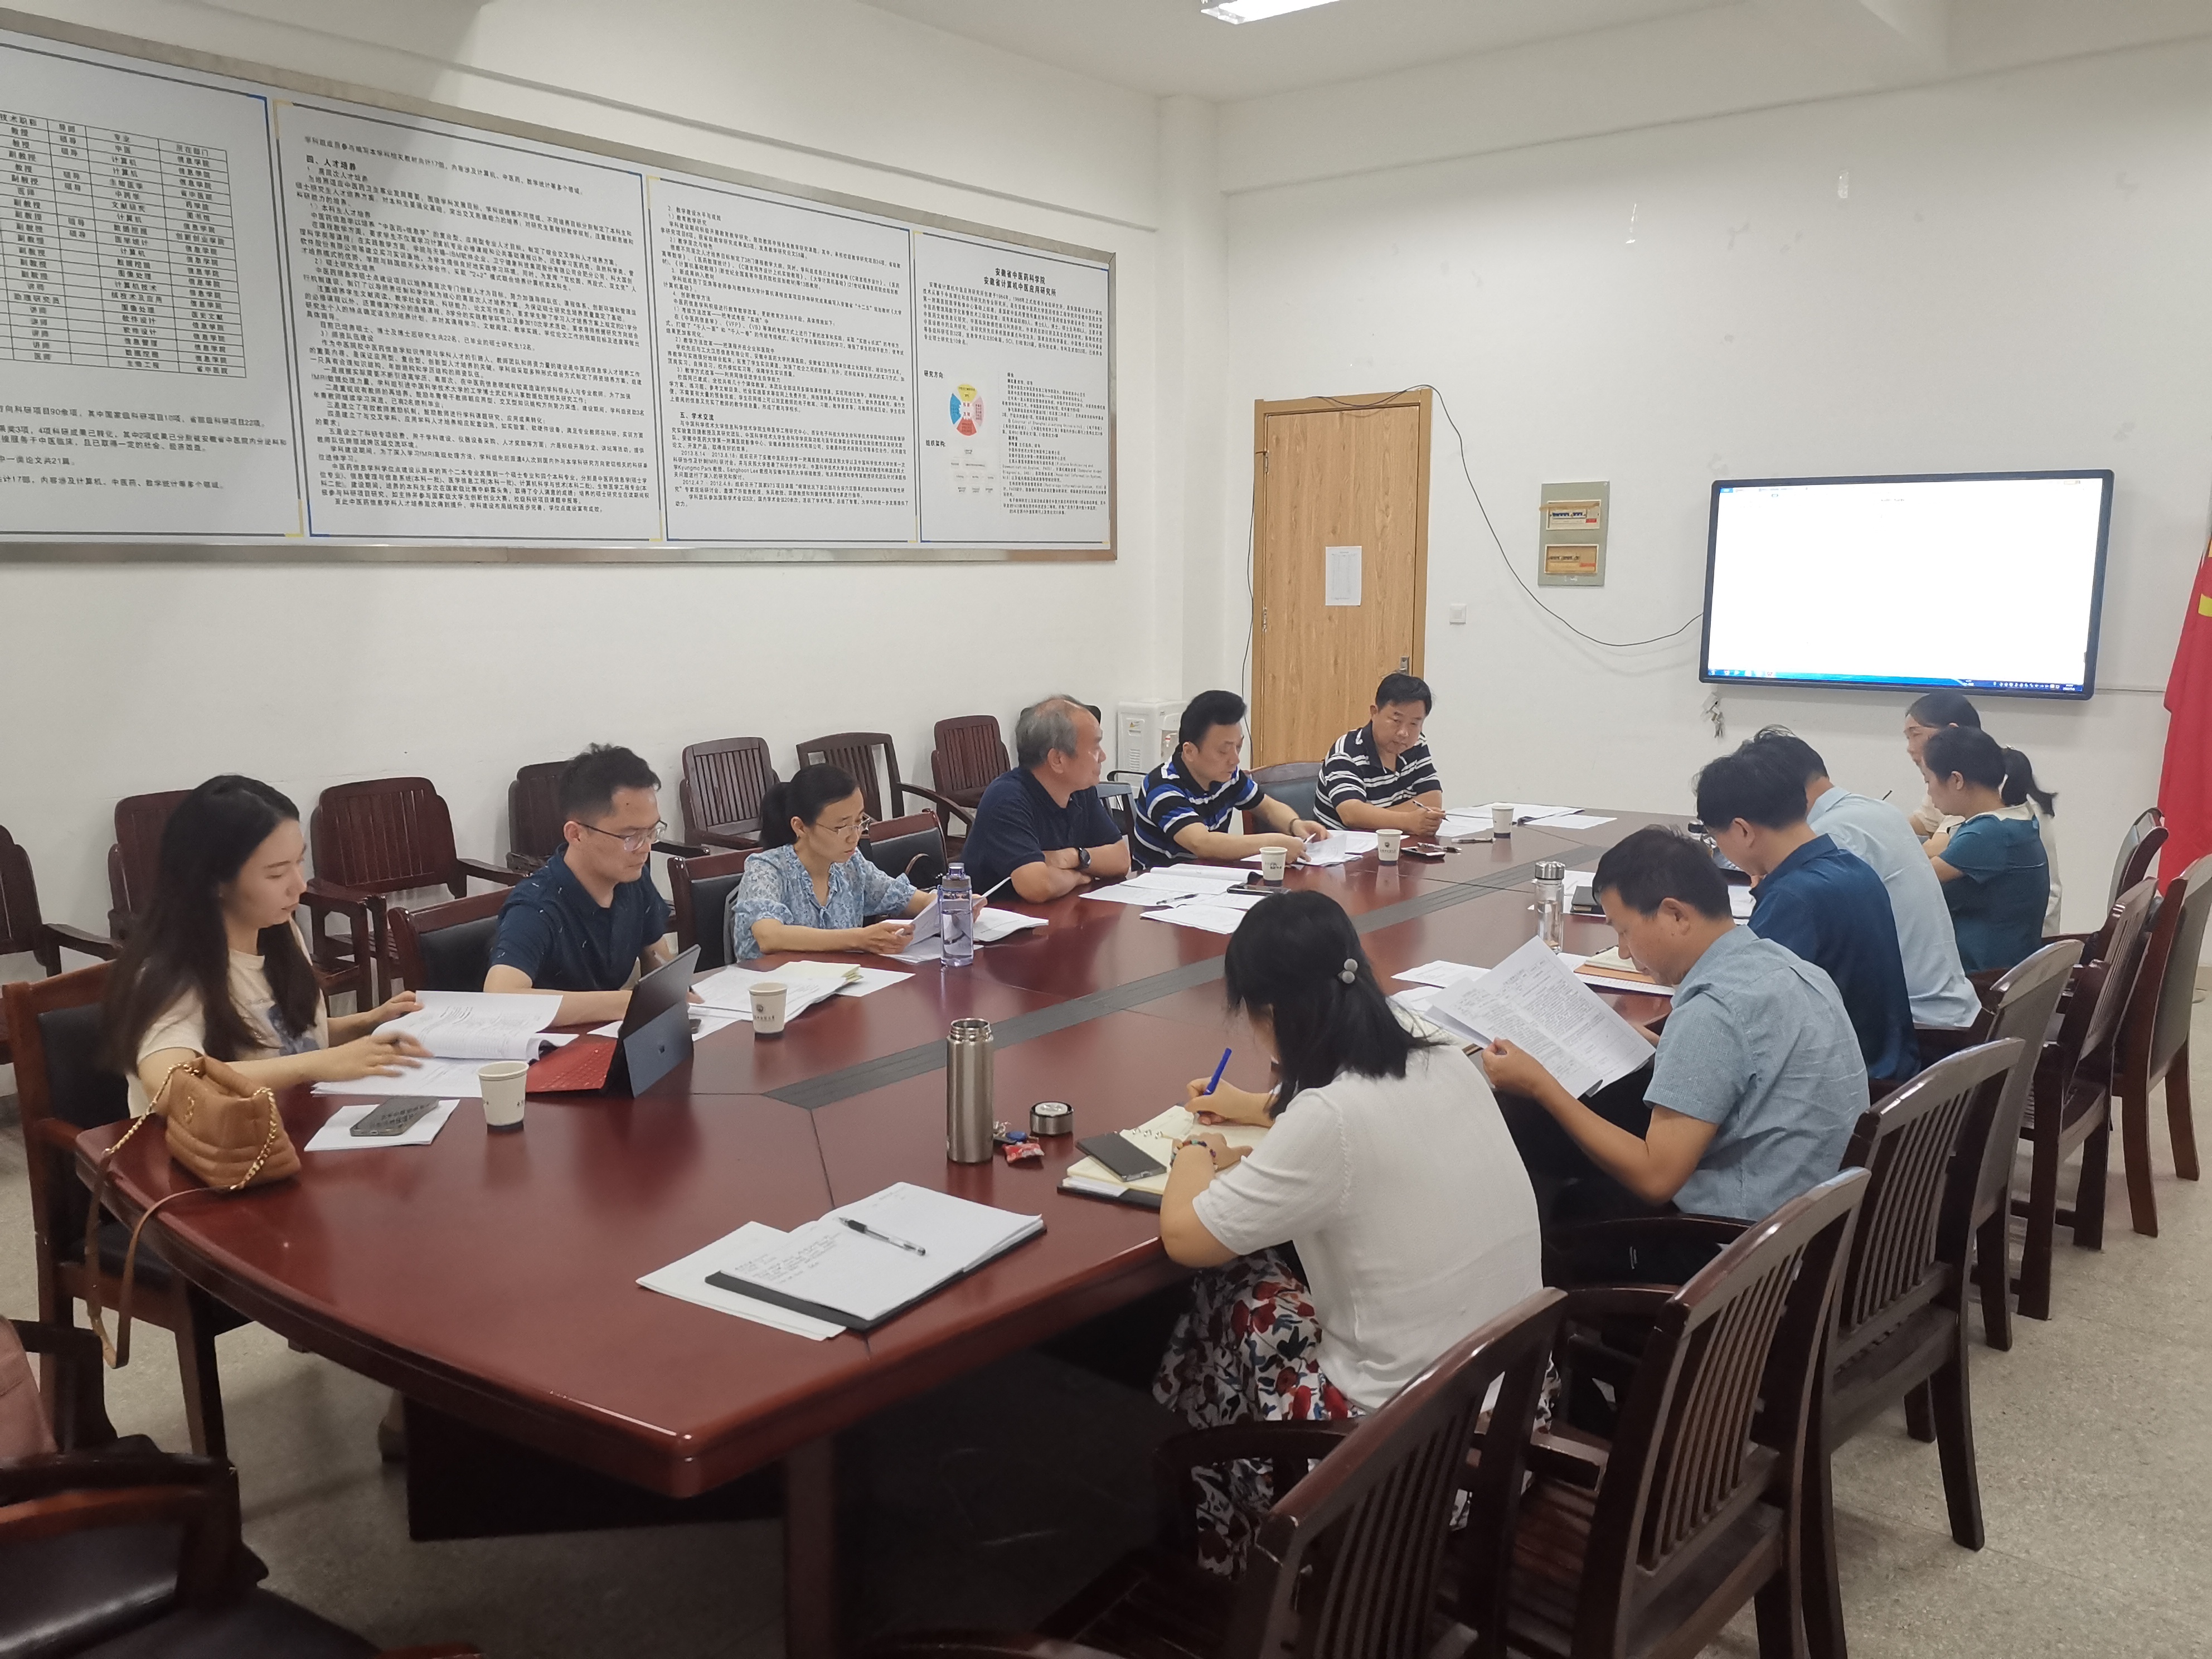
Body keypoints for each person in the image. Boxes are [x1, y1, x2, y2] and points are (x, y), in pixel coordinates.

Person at [1152, 890, 1541, 1570]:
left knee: (1233, 1288)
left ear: (1270, 1014)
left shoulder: (1327, 1121)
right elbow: (1360, 1122)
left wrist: (1194, 1151)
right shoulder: (1440, 1053)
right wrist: (1263, 1107)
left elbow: (1184, 1238)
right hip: (1512, 1429)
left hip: (1401, 1471)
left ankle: (1243, 1547)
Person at [1479, 826, 1865, 1229]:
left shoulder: (1713, 1012)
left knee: (1568, 1204)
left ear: (1675, 915)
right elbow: (1750, 1062)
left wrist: (1541, 1085)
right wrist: (1665, 1045)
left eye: (1623, 930)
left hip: (1744, 1244)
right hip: (1815, 1216)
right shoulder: (1789, 968)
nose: (1623, 952)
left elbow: (1655, 1181)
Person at [103, 775, 427, 1117]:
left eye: (299, 863)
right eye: (276, 874)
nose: (299, 886)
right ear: (214, 882)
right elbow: (169, 1085)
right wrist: (317, 1064)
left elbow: (277, 1040)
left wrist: (367, 1023)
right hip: (215, 1144)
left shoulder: (277, 932)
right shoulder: (170, 973)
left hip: (288, 1126)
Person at [1694, 745, 1918, 1085]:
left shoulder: (1793, 899)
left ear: (1743, 830)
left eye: (1715, 838)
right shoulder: (1853, 867)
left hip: (1845, 1088)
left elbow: (1742, 1012)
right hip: (1891, 1070)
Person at [1745, 727, 1980, 1033]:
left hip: (1916, 1023)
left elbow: (1775, 963)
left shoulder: (1829, 835)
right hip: (1946, 1003)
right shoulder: (1876, 810)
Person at [486, 745, 681, 1024]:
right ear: (576, 834)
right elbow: (500, 998)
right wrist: (625, 1003)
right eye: (631, 836)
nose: (645, 848)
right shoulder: (537, 906)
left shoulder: (632, 881)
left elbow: (658, 961)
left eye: (652, 832)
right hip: (549, 1046)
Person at [726, 764, 938, 961]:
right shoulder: (766, 869)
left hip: (840, 982)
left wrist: (947, 903)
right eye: (841, 827)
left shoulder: (851, 865)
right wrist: (860, 938)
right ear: (800, 827)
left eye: (859, 821)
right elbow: (769, 937)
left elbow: (913, 899)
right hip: (774, 986)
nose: (854, 836)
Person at [1904, 691, 2061, 933]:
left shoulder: (1990, 830)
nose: (1909, 748)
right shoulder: (1994, 806)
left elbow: (1917, 874)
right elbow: (1922, 827)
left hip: (2008, 949)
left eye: (1915, 734)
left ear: (1956, 780)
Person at [958, 697, 1131, 901]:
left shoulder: (1080, 790)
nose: (1103, 757)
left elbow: (1121, 860)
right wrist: (1080, 877)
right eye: (1095, 748)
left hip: (1061, 910)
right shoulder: (1006, 799)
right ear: (1057, 760)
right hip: (998, 917)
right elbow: (1038, 886)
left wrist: (1072, 857)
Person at [1133, 690, 1326, 869]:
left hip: (1212, 878)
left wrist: (1294, 825)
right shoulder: (1163, 786)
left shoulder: (1228, 776)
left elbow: (1267, 807)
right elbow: (1202, 843)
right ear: (1190, 751)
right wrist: (1272, 843)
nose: (1235, 759)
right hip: (1161, 886)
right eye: (1224, 750)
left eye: (1238, 747)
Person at [1919, 726, 2052, 974]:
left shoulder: (1990, 833)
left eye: (1928, 780)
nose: (1928, 791)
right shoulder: (2015, 818)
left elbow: (1914, 880)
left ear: (1956, 780)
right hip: (2009, 966)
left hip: (1984, 976)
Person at [1313, 672, 1445, 835]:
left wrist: (1373, 818)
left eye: (1414, 724)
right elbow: (1351, 814)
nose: (1404, 733)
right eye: (1397, 721)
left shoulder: (1417, 744)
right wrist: (1407, 821)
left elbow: (1432, 799)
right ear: (1374, 712)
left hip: (1395, 841)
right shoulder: (1347, 751)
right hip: (1345, 846)